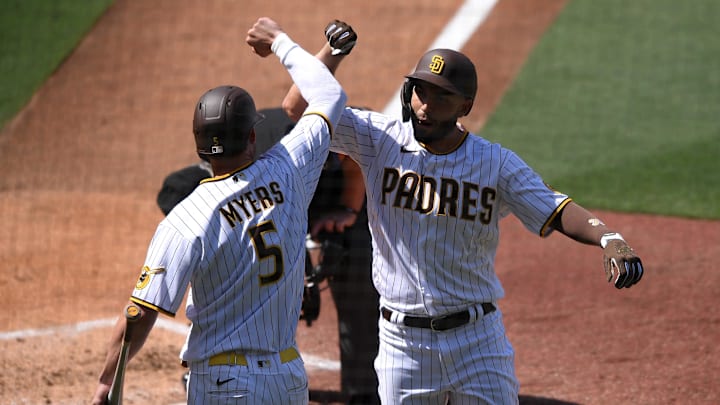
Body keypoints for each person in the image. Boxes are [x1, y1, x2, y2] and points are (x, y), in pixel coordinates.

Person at [308, 46, 645, 404]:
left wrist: (608, 236)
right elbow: (302, 108)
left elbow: (555, 208)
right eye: (421, 91)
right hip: (402, 344)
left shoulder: (494, 163)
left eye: (442, 96)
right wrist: (330, 54)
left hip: (478, 341)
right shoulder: (380, 139)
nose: (426, 104)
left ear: (465, 106)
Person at [90, 16, 347, 405]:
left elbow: (138, 313)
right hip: (288, 376)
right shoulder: (290, 168)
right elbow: (329, 96)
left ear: (198, 147)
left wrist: (107, 383)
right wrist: (279, 41)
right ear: (252, 136)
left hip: (225, 385)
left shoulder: (185, 219)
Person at [156, 20, 380, 404]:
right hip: (279, 206)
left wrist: (346, 209)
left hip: (333, 196)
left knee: (357, 274)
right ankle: (215, 364)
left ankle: (363, 391)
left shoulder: (297, 147)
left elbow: (348, 155)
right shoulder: (228, 177)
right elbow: (305, 100)